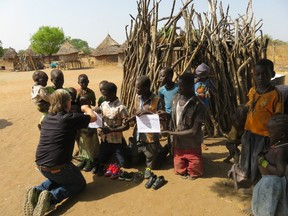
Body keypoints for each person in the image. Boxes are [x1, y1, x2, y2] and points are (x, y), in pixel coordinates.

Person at [23, 89, 96, 216]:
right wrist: (86, 108)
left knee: (60, 177)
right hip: (59, 167)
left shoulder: (47, 119)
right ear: (67, 103)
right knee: (79, 184)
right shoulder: (68, 118)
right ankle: (51, 198)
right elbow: (93, 118)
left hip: (42, 166)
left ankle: (37, 190)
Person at [240, 59, 283, 184]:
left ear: (272, 74)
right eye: (257, 74)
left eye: (265, 74)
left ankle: (255, 183)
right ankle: (244, 176)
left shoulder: (275, 95)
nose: (260, 77)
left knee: (257, 159)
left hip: (264, 135)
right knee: (246, 155)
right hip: (249, 131)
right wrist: (244, 108)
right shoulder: (253, 91)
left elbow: (277, 117)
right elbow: (250, 105)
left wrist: (273, 139)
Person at [162, 72, 205, 180]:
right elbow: (174, 117)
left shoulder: (198, 106)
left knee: (194, 172)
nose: (179, 89)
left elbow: (194, 131)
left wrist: (171, 133)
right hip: (178, 145)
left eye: (182, 87)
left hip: (192, 145)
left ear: (191, 87)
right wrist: (165, 115)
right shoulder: (176, 99)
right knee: (179, 170)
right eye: (179, 86)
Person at [126, 75, 165, 178]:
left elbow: (162, 118)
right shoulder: (137, 98)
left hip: (151, 135)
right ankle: (149, 152)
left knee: (153, 166)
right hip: (139, 133)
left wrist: (148, 112)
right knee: (134, 161)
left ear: (146, 88)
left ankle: (161, 152)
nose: (136, 89)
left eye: (138, 87)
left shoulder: (157, 100)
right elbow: (136, 114)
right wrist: (131, 119)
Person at [252, 114, 288, 216]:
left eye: (270, 132)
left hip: (271, 184)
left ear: (282, 135)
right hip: (269, 182)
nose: (268, 134)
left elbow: (280, 172)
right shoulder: (279, 146)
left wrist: (263, 162)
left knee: (266, 210)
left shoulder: (281, 150)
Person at [96, 82, 129, 177]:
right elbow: (99, 117)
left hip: (117, 141)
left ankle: (119, 154)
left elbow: (126, 126)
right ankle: (111, 159)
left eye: (105, 95)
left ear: (113, 93)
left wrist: (111, 130)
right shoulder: (103, 104)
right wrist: (96, 111)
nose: (104, 97)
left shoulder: (121, 108)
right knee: (101, 160)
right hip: (105, 140)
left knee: (124, 164)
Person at [76, 74, 99, 172]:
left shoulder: (91, 92)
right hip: (80, 117)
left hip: (89, 117)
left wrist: (87, 100)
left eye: (85, 81)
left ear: (88, 81)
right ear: (78, 82)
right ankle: (84, 158)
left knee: (90, 138)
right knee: (81, 139)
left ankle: (91, 159)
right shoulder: (76, 92)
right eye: (82, 82)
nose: (84, 84)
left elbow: (93, 103)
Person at [194, 63, 214, 150]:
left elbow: (214, 90)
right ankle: (193, 141)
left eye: (201, 76)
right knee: (192, 124)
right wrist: (196, 94)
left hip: (203, 106)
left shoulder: (208, 81)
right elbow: (187, 91)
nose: (199, 78)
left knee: (201, 124)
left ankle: (201, 142)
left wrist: (206, 93)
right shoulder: (193, 81)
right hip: (193, 106)